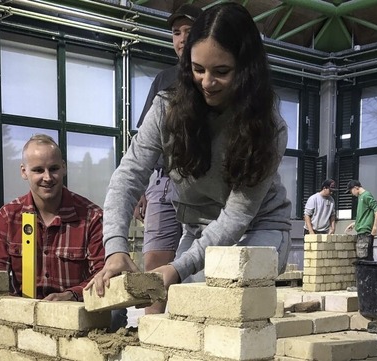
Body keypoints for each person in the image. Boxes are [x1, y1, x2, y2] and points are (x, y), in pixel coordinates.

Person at [88, 3, 292, 297]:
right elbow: (129, 175)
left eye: (221, 71)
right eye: (198, 69)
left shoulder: (268, 128)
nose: (207, 83)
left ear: (247, 69)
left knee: (217, 296)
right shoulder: (166, 107)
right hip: (197, 229)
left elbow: (237, 216)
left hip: (259, 229)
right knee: (181, 309)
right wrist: (115, 248)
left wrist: (178, 268)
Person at [0, 134, 125, 330]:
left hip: (78, 314)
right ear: (24, 171)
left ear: (64, 167)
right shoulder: (8, 217)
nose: (47, 178)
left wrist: (71, 295)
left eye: (53, 169)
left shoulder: (91, 217)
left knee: (116, 310)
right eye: (38, 170)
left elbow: (103, 275)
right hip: (24, 318)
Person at [133, 3, 202, 315]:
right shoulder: (164, 80)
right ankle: (154, 335)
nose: (182, 39)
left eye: (190, 31)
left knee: (200, 268)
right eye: (176, 33)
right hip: (164, 181)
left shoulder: (214, 81)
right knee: (155, 267)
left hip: (205, 185)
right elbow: (145, 143)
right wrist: (140, 190)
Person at [344, 180, 377, 260]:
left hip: (365, 232)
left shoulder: (366, 196)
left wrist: (375, 228)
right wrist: (355, 223)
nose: (351, 193)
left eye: (351, 191)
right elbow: (364, 214)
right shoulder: (361, 197)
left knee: (363, 257)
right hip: (361, 230)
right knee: (366, 256)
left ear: (356, 187)